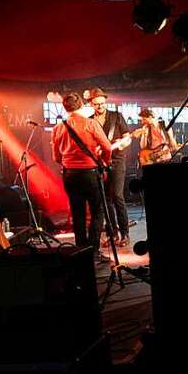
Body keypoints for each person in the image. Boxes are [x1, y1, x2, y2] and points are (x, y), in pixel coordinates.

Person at [52, 92, 113, 255]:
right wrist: (106, 162)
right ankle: (93, 250)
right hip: (90, 173)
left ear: (65, 107)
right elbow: (107, 147)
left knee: (77, 212)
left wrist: (69, 163)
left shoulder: (58, 128)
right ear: (80, 105)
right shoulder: (90, 124)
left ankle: (81, 250)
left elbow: (56, 157)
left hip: (70, 174)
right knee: (97, 211)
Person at [89, 88, 131, 247]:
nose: (100, 107)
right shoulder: (90, 121)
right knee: (105, 199)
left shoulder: (116, 116)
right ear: (91, 104)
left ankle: (125, 233)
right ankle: (112, 233)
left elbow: (127, 138)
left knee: (117, 196)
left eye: (102, 103)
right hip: (100, 163)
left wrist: (116, 145)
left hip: (117, 160)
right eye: (97, 104)